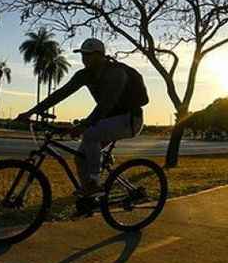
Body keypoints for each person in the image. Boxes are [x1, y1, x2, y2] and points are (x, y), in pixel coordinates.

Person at [15, 37, 147, 197]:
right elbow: (61, 94)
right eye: (83, 55)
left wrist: (84, 125)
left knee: (90, 134)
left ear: (101, 55)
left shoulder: (116, 73)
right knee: (81, 158)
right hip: (108, 120)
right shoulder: (84, 75)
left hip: (130, 119)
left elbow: (107, 104)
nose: (85, 58)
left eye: (89, 55)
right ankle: (90, 197)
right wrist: (32, 111)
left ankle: (94, 182)